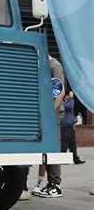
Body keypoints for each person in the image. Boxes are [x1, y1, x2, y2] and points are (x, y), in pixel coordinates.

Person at [33, 55, 65, 198]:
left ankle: (56, 185)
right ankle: (49, 183)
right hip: (44, 113)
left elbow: (60, 91)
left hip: (54, 113)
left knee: (53, 148)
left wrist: (51, 113)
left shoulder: (54, 65)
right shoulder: (43, 65)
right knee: (47, 148)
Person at [61, 91, 85, 164]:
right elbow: (69, 107)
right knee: (65, 143)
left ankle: (75, 159)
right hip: (65, 126)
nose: (70, 97)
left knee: (73, 143)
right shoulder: (62, 103)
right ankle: (62, 159)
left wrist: (74, 120)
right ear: (65, 96)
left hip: (70, 126)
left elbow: (71, 113)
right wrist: (72, 98)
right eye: (69, 95)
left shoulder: (69, 102)